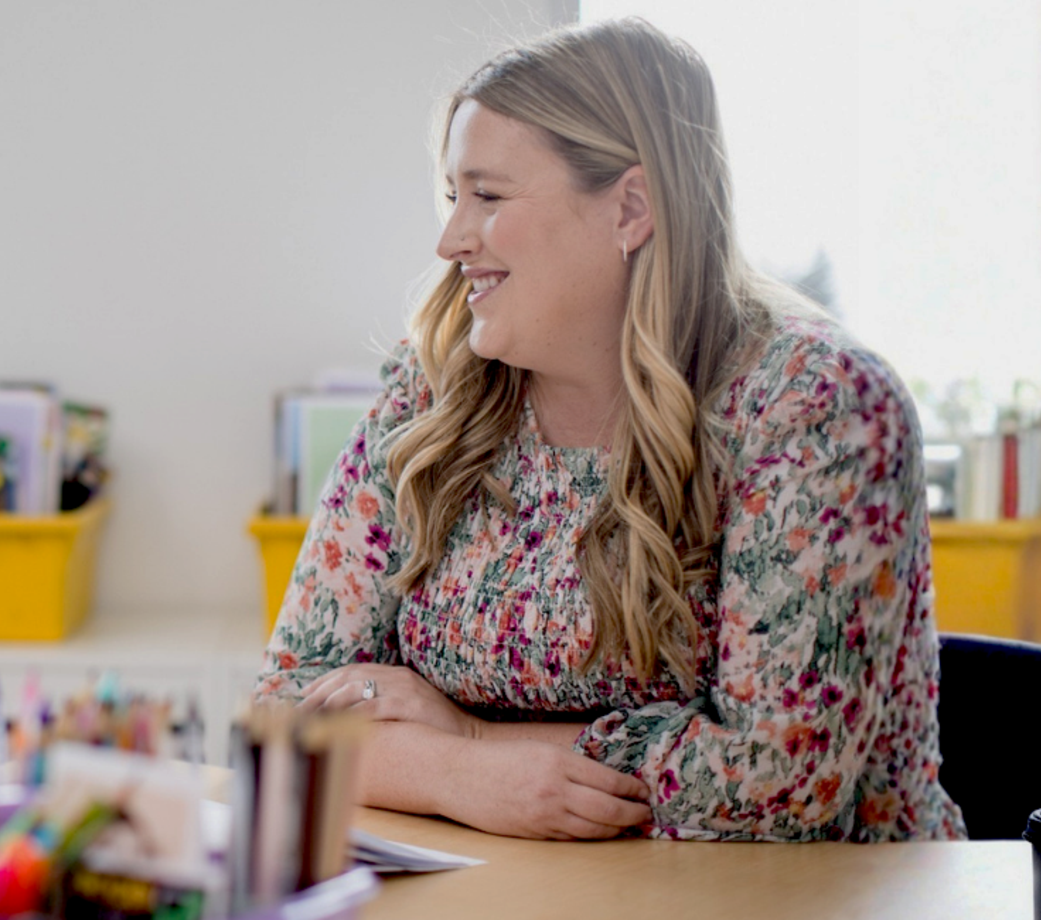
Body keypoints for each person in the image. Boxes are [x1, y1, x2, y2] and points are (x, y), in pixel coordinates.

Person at [256, 18, 964, 843]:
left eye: (487, 196)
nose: (450, 241)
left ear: (630, 207)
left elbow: (777, 785)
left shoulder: (814, 404)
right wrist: (458, 774)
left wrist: (475, 737)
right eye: (453, 197)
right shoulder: (431, 393)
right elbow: (283, 709)